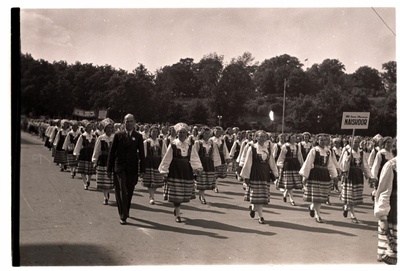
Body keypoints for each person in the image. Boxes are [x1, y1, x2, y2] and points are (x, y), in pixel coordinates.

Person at [158, 122, 203, 223]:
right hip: (175, 171)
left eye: (184, 132)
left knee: (182, 194)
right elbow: (167, 158)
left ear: (186, 134)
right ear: (177, 133)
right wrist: (164, 171)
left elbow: (194, 157)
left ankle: (177, 209)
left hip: (186, 171)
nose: (182, 134)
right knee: (176, 193)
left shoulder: (190, 146)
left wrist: (198, 168)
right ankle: (178, 214)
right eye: (180, 132)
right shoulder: (173, 144)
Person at [107, 114, 145, 225]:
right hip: (119, 167)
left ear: (134, 122)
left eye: (131, 121)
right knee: (121, 190)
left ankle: (126, 210)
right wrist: (109, 169)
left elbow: (142, 154)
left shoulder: (138, 136)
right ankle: (122, 215)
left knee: (129, 191)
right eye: (127, 121)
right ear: (123, 122)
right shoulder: (118, 135)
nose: (129, 123)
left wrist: (142, 169)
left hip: (132, 168)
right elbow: (112, 153)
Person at [240, 130, 279, 224]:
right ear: (256, 137)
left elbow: (272, 162)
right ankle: (261, 216)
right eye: (260, 136)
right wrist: (246, 176)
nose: (262, 138)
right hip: (255, 173)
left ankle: (254, 208)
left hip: (264, 174)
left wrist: (275, 174)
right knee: (256, 194)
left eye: (264, 136)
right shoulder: (252, 148)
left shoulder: (268, 149)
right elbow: (248, 163)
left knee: (261, 196)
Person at [299, 134, 338, 223]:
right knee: (317, 194)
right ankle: (318, 215)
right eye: (321, 140)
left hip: (324, 175)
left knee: (321, 195)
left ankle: (312, 207)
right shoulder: (314, 150)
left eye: (325, 140)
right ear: (317, 141)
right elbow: (308, 163)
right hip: (315, 174)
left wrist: (334, 175)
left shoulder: (328, 151)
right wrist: (305, 176)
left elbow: (330, 164)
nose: (323, 142)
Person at [339, 136, 374, 223]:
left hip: (358, 175)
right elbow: (342, 166)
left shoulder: (361, 153)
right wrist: (347, 159)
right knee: (351, 195)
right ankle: (353, 215)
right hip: (350, 175)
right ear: (351, 143)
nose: (356, 144)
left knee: (354, 195)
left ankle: (346, 206)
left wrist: (369, 175)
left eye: (358, 142)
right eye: (355, 142)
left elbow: (365, 165)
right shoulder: (347, 151)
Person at [374, 157, 397, 265]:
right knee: (392, 256)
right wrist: (383, 217)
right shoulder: (392, 165)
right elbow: (384, 192)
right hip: (394, 214)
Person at [193, 126, 221, 204]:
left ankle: (202, 195)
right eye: (205, 133)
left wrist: (216, 164)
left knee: (206, 181)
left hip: (209, 163)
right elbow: (194, 154)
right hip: (201, 163)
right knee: (201, 180)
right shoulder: (198, 143)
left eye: (208, 134)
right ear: (202, 134)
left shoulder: (212, 143)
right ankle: (202, 196)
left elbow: (215, 154)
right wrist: (196, 165)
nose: (207, 135)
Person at [276, 133, 304, 206]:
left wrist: (302, 164)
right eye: (292, 138)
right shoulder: (285, 146)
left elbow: (299, 156)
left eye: (295, 138)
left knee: (291, 183)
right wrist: (280, 165)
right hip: (287, 165)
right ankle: (291, 199)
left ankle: (285, 194)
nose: (294, 139)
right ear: (289, 138)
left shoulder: (297, 146)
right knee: (289, 183)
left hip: (295, 165)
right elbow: (281, 156)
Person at [92, 118, 115, 205]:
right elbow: (97, 150)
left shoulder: (114, 137)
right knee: (104, 178)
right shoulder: (101, 138)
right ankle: (105, 196)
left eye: (111, 128)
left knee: (110, 179)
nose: (109, 130)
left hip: (112, 160)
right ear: (105, 129)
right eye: (107, 128)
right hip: (103, 160)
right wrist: (94, 160)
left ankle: (107, 191)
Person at [142, 125, 167, 205]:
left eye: (156, 132)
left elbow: (164, 153)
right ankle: (151, 196)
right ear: (150, 132)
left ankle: (152, 194)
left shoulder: (161, 141)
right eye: (153, 131)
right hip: (149, 162)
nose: (154, 133)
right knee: (150, 181)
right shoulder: (146, 142)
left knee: (157, 180)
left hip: (158, 162)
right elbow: (144, 154)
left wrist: (164, 163)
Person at [73, 121, 97, 190]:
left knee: (90, 170)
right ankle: (85, 183)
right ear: (85, 128)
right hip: (84, 153)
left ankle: (88, 180)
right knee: (82, 170)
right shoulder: (82, 136)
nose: (89, 129)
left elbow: (96, 145)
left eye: (90, 127)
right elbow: (78, 145)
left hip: (91, 154)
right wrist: (76, 153)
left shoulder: (94, 136)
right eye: (88, 127)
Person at [210, 126, 230, 193]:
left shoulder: (222, 140)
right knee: (214, 172)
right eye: (216, 131)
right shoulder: (211, 140)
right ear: (213, 132)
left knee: (218, 173)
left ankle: (214, 184)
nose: (217, 133)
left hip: (221, 157)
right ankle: (215, 186)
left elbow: (225, 149)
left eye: (219, 132)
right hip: (214, 157)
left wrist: (227, 157)